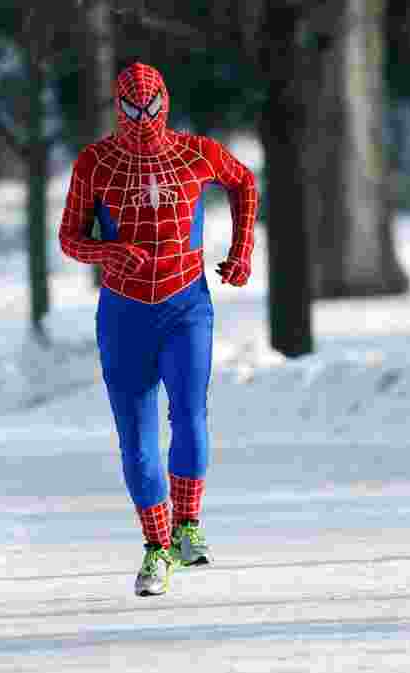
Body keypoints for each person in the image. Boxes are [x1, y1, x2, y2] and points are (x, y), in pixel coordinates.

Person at [58, 62, 258, 596]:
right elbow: (69, 239)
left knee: (190, 411)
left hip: (185, 304)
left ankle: (188, 525)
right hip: (124, 314)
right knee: (137, 441)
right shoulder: (95, 163)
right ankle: (155, 548)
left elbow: (244, 183)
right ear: (116, 109)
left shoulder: (197, 152)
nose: (142, 119)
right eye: (131, 109)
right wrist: (107, 252)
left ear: (165, 103)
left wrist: (241, 252)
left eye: (150, 108)